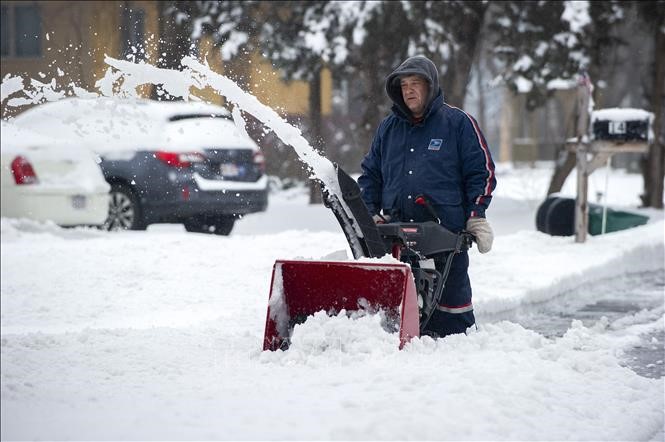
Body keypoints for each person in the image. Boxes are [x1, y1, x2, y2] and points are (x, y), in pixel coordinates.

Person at [358, 55, 496, 338]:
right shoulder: (389, 129)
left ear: (430, 86)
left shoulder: (457, 124)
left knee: (453, 320)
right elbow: (370, 175)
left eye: (416, 83)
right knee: (399, 315)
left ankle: (458, 361)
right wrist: (370, 212)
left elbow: (481, 172)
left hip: (446, 238)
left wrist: (476, 216)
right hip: (397, 240)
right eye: (404, 85)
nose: (409, 90)